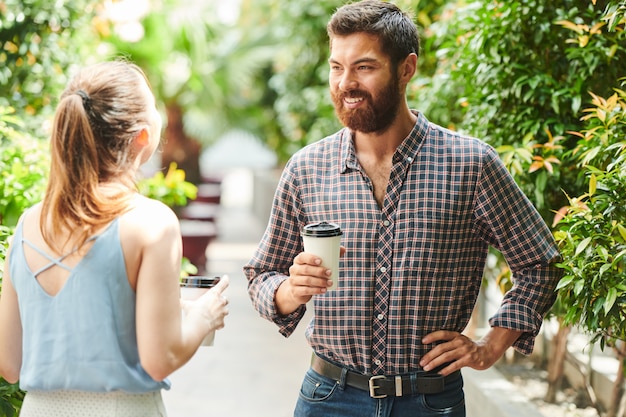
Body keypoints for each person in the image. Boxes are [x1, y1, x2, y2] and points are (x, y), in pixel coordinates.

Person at [243, 1, 562, 416]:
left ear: (406, 68)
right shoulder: (307, 169)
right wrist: (290, 290)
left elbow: (539, 262)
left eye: (364, 67)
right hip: (328, 397)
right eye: (336, 67)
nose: (345, 83)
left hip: (430, 402)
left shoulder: (471, 165)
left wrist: (490, 346)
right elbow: (260, 276)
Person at [0, 60, 229, 416]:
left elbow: (9, 363)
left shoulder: (28, 224)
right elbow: (160, 359)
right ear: (143, 136)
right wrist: (204, 316)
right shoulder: (152, 222)